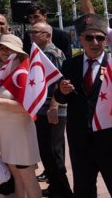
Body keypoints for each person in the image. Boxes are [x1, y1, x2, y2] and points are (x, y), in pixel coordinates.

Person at [54, 13, 112, 197]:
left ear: (106, 40)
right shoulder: (70, 65)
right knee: (83, 189)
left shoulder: (111, 64)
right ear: (80, 40)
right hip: (80, 140)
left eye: (100, 37)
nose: (95, 42)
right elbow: (61, 98)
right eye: (89, 37)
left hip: (108, 139)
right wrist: (61, 92)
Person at [0, 34, 42, 198]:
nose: (4, 51)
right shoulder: (4, 72)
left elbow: (28, 108)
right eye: (2, 48)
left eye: (8, 48)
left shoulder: (22, 74)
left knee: (28, 179)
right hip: (8, 136)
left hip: (21, 135)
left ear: (17, 52)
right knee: (18, 179)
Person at [28, 22, 72, 198]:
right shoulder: (40, 53)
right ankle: (56, 187)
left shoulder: (51, 53)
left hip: (52, 110)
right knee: (47, 152)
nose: (32, 34)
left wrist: (54, 106)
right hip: (42, 110)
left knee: (53, 153)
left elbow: (60, 82)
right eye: (31, 32)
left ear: (47, 35)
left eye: (36, 32)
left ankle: (63, 191)